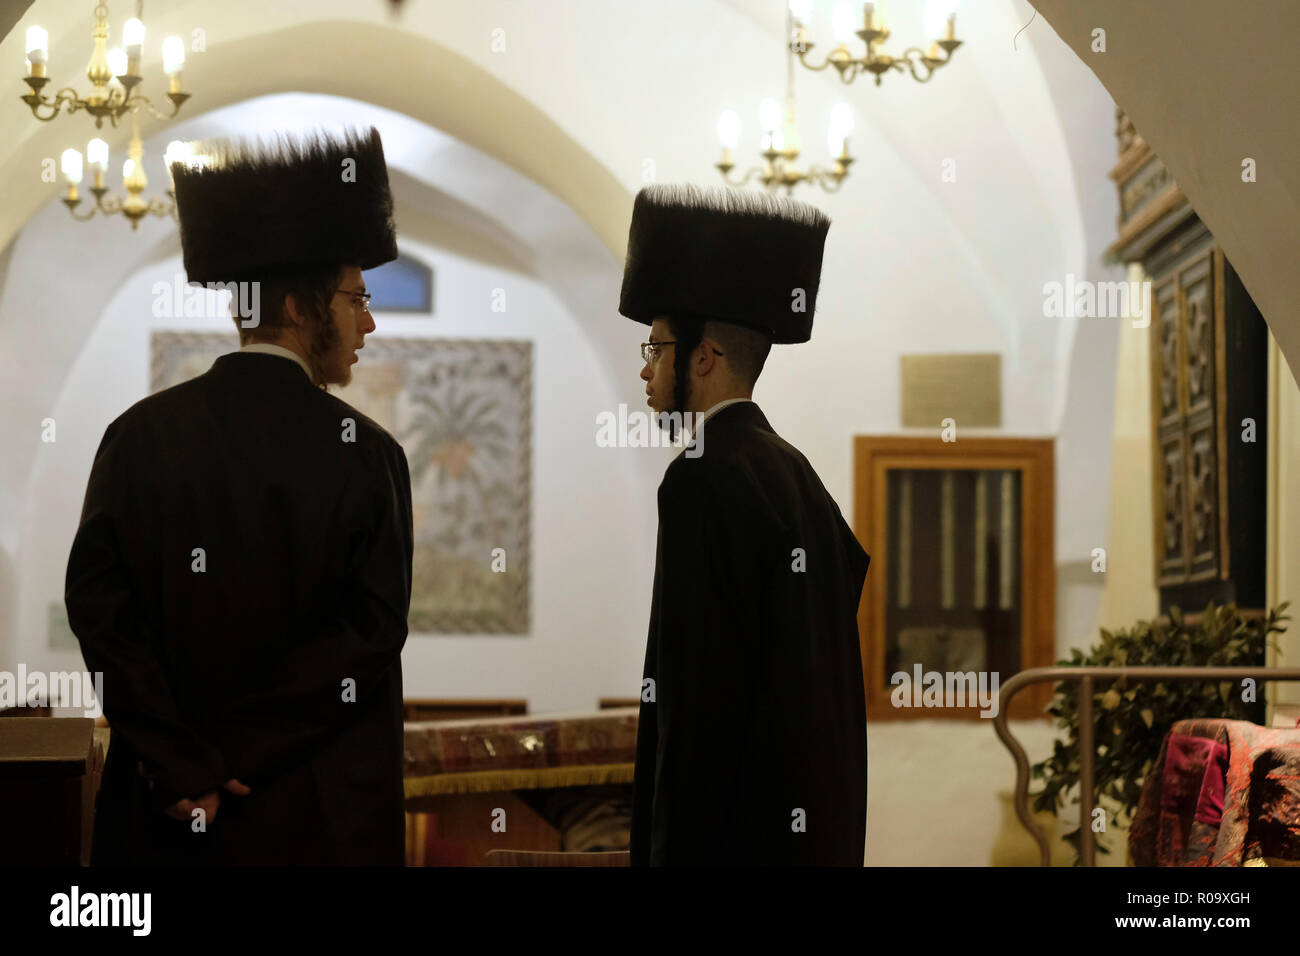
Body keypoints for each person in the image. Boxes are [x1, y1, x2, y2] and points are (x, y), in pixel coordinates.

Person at [64, 126, 413, 865]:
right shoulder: (369, 456)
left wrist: (183, 761)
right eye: (357, 297)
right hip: (313, 824)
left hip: (166, 821)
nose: (369, 321)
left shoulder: (138, 436)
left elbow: (101, 612)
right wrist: (237, 754)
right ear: (296, 308)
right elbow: (369, 638)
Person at [622, 183, 870, 865]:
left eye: (656, 348)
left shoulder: (701, 475)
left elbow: (696, 701)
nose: (646, 370)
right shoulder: (797, 476)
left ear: (703, 357)